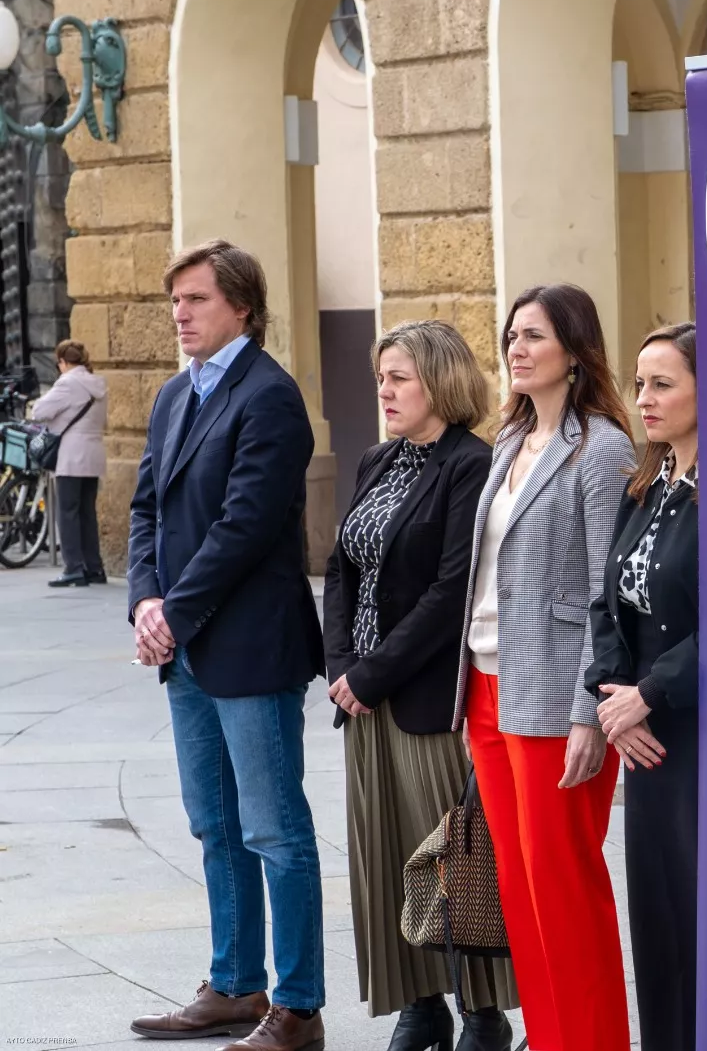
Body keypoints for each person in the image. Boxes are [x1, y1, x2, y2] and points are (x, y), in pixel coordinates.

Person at [126, 240, 326, 1051]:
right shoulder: (177, 395)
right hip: (189, 652)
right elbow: (146, 507)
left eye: (197, 300)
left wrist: (176, 611)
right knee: (213, 823)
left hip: (251, 648)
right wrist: (145, 597)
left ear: (243, 307)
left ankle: (299, 1006)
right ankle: (235, 985)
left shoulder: (269, 397)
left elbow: (244, 525)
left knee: (274, 830)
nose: (181, 314)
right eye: (176, 301)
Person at [321, 320, 517, 1050]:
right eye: (381, 376)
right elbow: (340, 568)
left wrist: (373, 673)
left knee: (451, 857)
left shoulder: (472, 464)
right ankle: (420, 1004)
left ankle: (482, 1013)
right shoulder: (377, 459)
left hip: (426, 698)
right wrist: (342, 666)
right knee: (383, 856)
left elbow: (451, 589)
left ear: (439, 380)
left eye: (399, 376)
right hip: (361, 699)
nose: (384, 389)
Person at [452, 283, 636, 1051]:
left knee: (565, 889)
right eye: (512, 336)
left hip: (557, 693)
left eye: (533, 336)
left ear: (574, 350)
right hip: (490, 683)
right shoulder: (508, 442)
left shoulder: (601, 448)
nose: (516, 349)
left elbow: (606, 590)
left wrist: (588, 712)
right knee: (523, 896)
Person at [588, 323, 699, 1051]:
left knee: (699, 915)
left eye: (662, 383)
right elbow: (607, 601)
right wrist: (613, 696)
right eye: (639, 383)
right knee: (655, 917)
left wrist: (650, 693)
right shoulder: (646, 483)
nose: (643, 399)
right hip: (642, 737)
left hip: (699, 734)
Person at [31, 340, 109, 587]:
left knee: (67, 512)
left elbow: (39, 411)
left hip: (71, 456)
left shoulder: (68, 382)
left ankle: (73, 568)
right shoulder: (98, 383)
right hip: (93, 453)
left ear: (63, 361)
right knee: (86, 513)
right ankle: (94, 568)